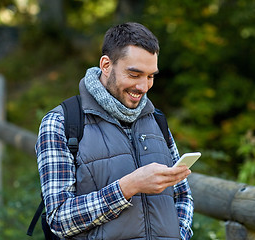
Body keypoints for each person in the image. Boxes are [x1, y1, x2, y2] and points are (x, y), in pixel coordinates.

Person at [36, 22, 194, 240]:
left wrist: (181, 234)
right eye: (134, 74)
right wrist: (128, 187)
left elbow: (183, 196)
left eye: (150, 76)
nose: (143, 87)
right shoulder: (61, 122)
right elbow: (59, 219)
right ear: (106, 65)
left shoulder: (156, 120)